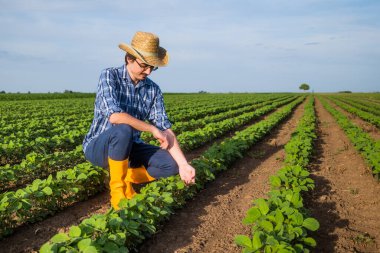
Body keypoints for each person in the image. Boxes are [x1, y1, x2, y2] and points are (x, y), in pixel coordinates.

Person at [82, 31, 196, 210]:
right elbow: (115, 116)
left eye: (153, 67)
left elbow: (165, 128)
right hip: (99, 147)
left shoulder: (153, 90)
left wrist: (184, 164)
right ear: (129, 58)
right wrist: (151, 129)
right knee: (123, 129)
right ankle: (118, 193)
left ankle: (124, 175)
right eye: (144, 65)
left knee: (170, 165)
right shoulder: (109, 76)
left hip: (130, 148)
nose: (148, 71)